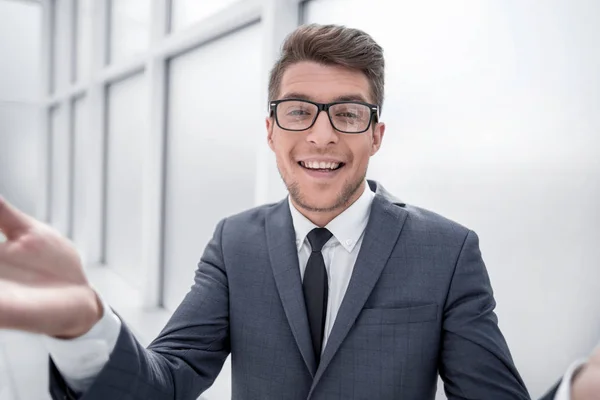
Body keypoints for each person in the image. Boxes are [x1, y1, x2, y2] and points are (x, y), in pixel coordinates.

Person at [0, 24, 530, 399]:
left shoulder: (448, 251)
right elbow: (164, 383)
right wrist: (85, 326)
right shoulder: (236, 243)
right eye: (298, 111)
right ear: (272, 130)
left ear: (376, 135)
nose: (321, 134)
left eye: (347, 113)